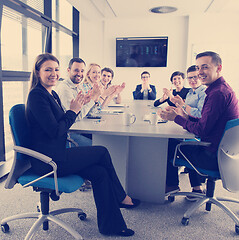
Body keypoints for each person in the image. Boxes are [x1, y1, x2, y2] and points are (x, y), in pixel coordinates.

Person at [26, 53, 140, 237]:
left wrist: (79, 105)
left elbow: (61, 122)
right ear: (38, 72)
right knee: (102, 152)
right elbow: (56, 130)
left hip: (58, 153)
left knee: (100, 173)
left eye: (56, 69)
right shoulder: (37, 97)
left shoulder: (51, 93)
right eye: (48, 69)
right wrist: (73, 110)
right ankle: (120, 197)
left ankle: (110, 226)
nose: (53, 73)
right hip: (49, 160)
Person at [158, 51, 239, 198]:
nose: (200, 72)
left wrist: (176, 118)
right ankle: (192, 187)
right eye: (198, 67)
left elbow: (201, 130)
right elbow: (206, 122)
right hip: (225, 154)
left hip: (213, 156)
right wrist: (184, 116)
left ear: (218, 68)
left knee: (169, 144)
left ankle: (171, 185)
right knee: (182, 142)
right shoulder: (220, 89)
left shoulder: (217, 94)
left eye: (205, 67)